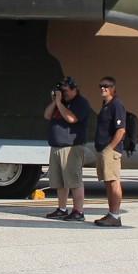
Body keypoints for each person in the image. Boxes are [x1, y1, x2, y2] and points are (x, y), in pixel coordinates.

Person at [42, 77, 90, 221]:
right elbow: (47, 115)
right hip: (56, 146)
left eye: (66, 91)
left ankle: (78, 211)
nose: (64, 94)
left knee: (74, 181)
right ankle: (62, 209)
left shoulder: (80, 103)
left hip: (71, 148)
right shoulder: (60, 102)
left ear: (75, 89)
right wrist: (55, 101)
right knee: (60, 182)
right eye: (61, 91)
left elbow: (71, 119)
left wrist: (59, 102)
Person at [92, 77, 133, 227]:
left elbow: (121, 130)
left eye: (106, 86)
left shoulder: (117, 105)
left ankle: (115, 215)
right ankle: (111, 214)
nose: (103, 88)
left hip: (111, 150)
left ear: (113, 88)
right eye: (101, 86)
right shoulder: (106, 105)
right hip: (103, 149)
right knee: (108, 182)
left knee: (114, 182)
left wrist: (110, 148)